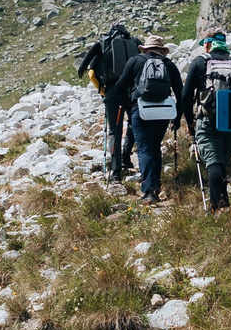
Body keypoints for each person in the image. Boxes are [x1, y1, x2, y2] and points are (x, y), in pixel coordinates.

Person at [112, 34, 185, 202]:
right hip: (163, 112)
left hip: (141, 109)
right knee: (155, 147)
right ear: (162, 50)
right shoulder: (168, 64)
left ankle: (149, 191)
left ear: (145, 48)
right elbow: (180, 93)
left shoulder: (135, 61)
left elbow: (119, 87)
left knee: (144, 148)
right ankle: (156, 186)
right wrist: (178, 116)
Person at [182, 32, 231, 212]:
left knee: (214, 162)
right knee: (221, 162)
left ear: (207, 45)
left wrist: (190, 121)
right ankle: (220, 204)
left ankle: (219, 206)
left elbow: (186, 95)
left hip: (208, 120)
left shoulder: (200, 62)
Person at [78, 21, 140, 179]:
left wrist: (102, 91)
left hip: (112, 90)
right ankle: (126, 156)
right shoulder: (135, 43)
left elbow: (89, 72)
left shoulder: (102, 44)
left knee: (115, 131)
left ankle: (115, 171)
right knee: (134, 123)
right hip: (130, 90)